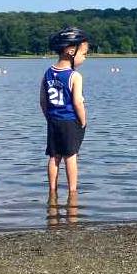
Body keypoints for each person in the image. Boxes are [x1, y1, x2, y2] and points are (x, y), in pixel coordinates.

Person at [40, 27, 89, 197]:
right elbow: (77, 102)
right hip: (70, 121)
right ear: (70, 51)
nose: (84, 58)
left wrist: (49, 117)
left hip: (53, 120)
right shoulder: (74, 76)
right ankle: (72, 190)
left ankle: (52, 190)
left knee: (54, 157)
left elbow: (43, 101)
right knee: (71, 156)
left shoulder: (48, 73)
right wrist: (83, 121)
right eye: (83, 54)